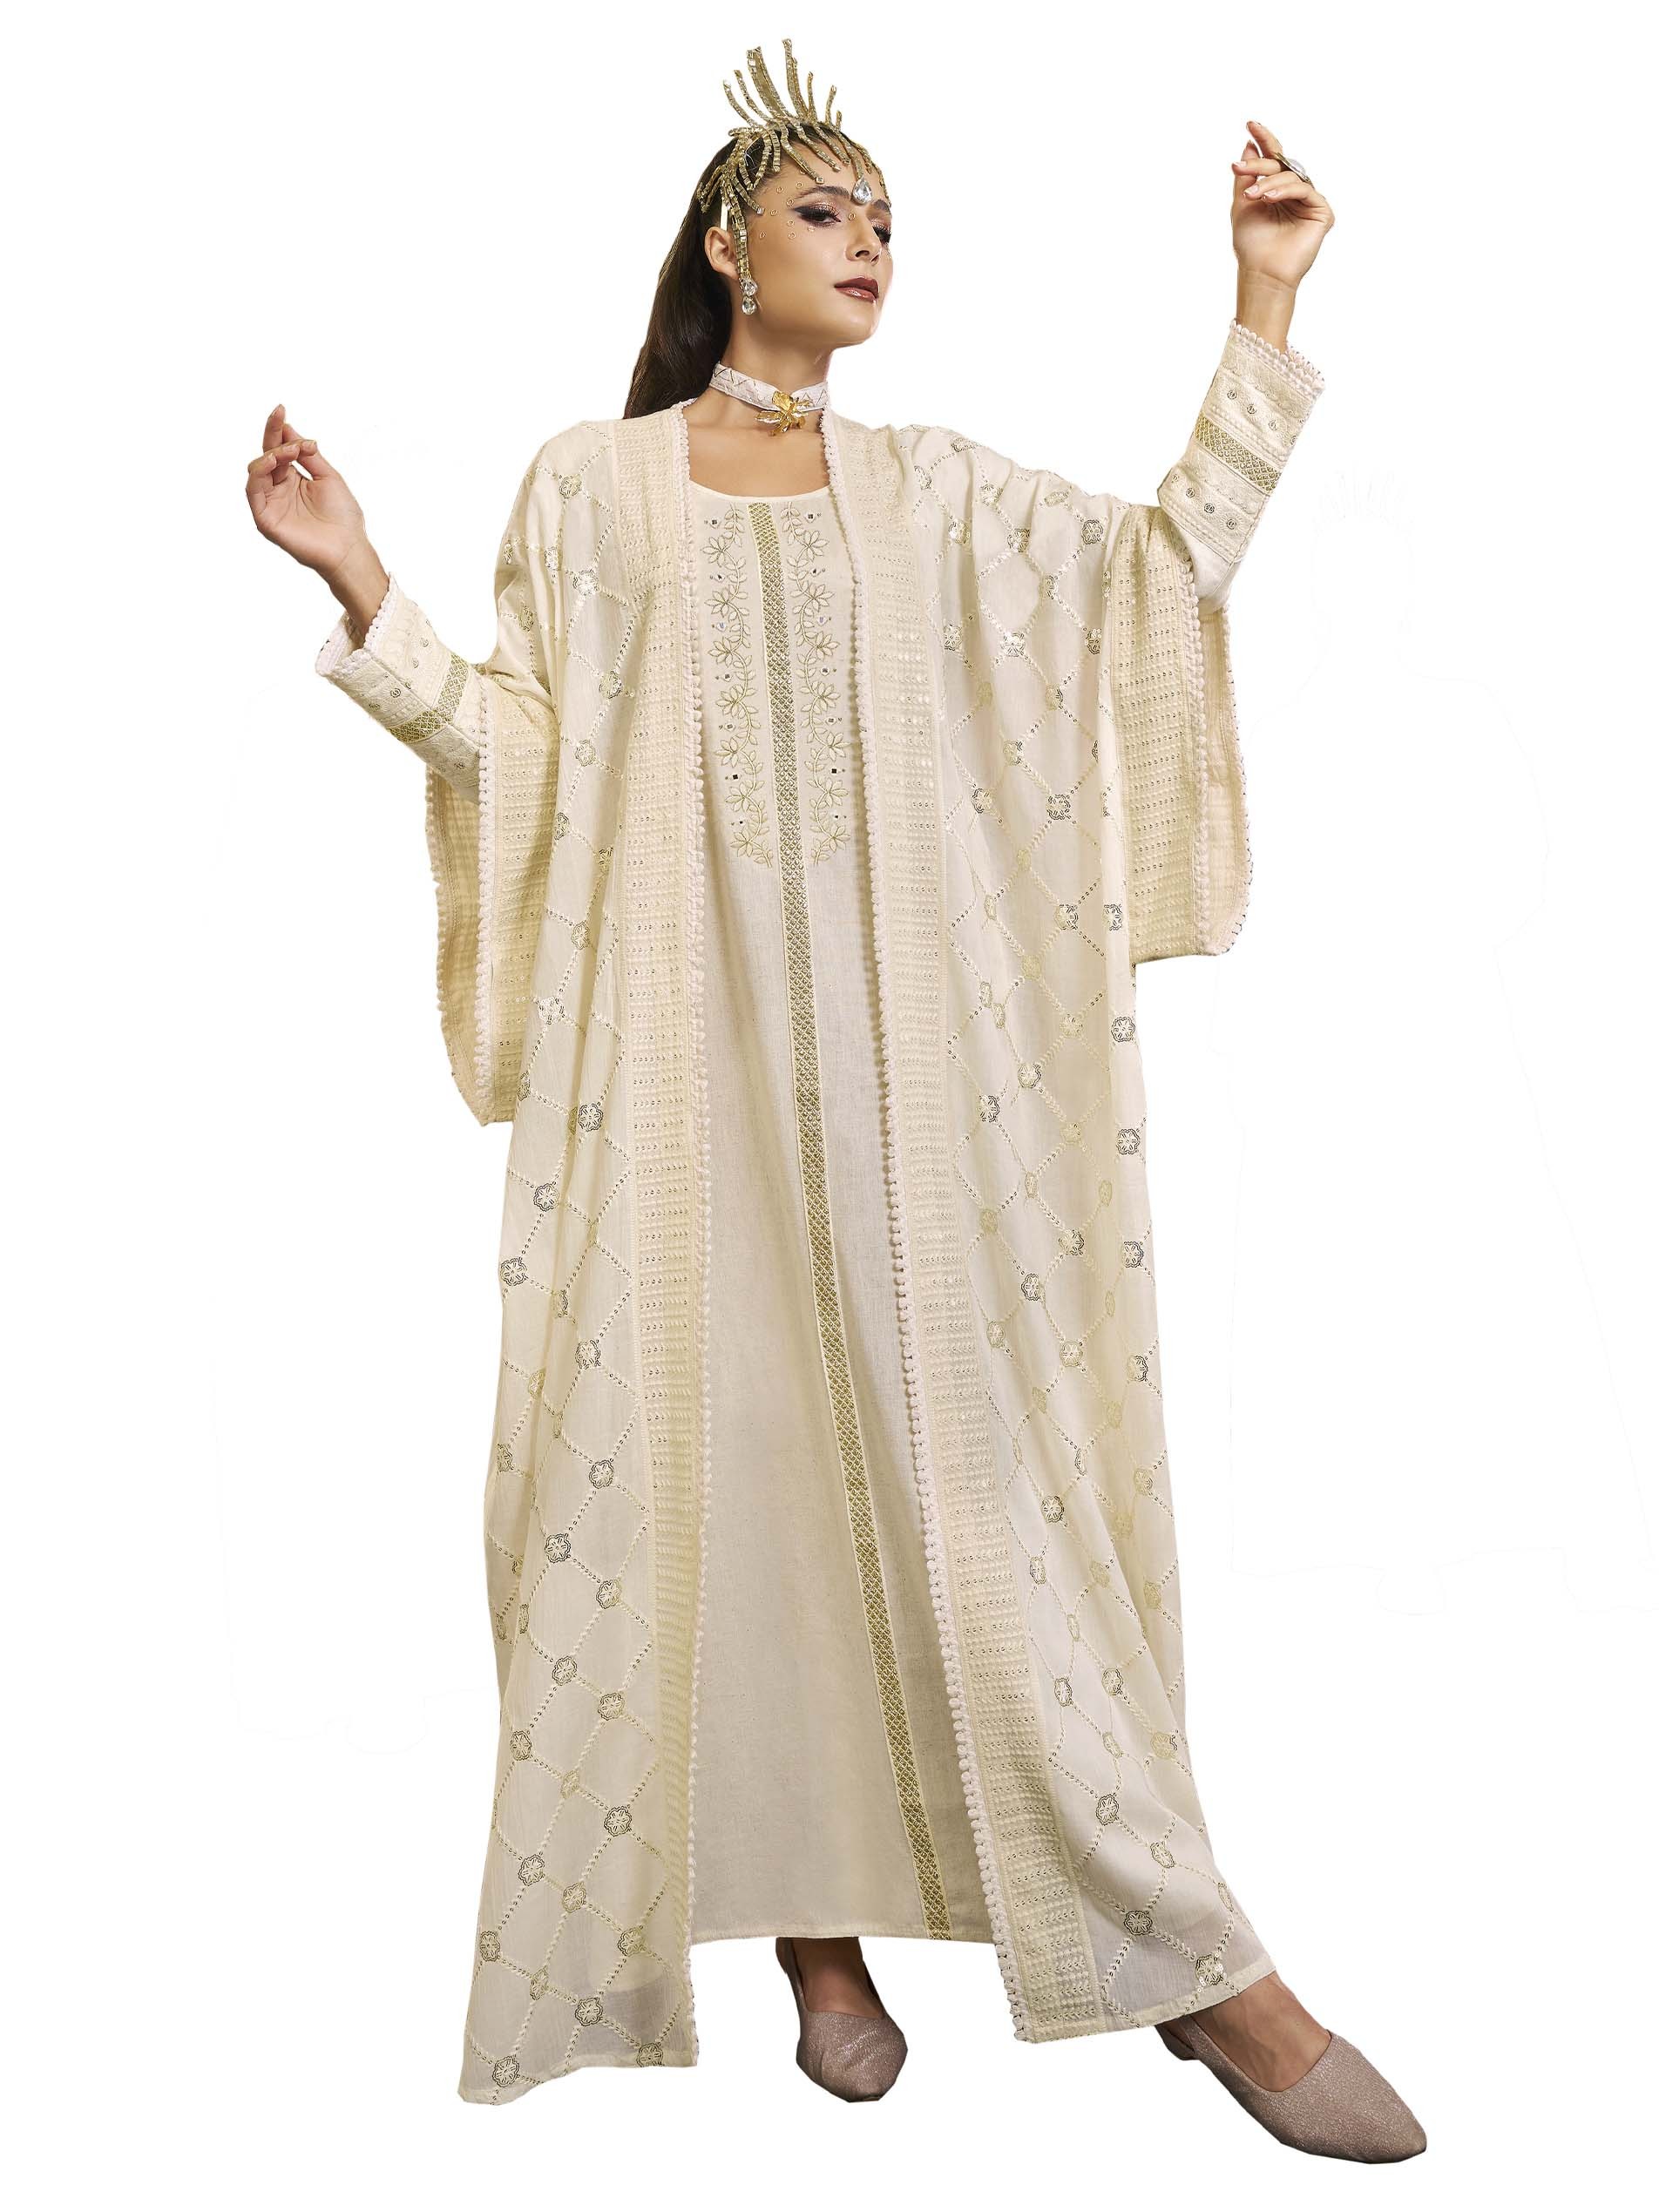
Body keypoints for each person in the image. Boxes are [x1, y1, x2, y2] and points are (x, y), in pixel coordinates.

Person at [247, 37, 1424, 2158]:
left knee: (992, 1498)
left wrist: (1263, 299)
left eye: (887, 216)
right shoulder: (590, 491)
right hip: (677, 1092)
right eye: (826, 207)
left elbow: (1158, 577)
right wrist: (361, 584)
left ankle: (1193, 1964)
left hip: (919, 1096)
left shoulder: (941, 494)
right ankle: (813, 1936)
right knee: (733, 1481)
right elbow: (520, 750)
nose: (869, 240)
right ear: (727, 243)